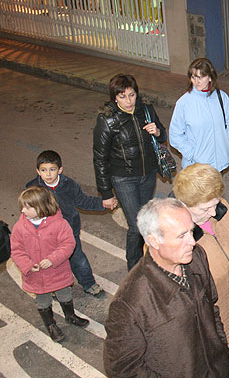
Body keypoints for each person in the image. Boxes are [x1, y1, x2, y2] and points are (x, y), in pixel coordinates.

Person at [103, 198, 229, 377]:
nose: (192, 242)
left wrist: (220, 348)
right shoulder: (129, 303)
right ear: (153, 241)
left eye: (191, 232)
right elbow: (123, 370)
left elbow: (212, 307)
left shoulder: (197, 257)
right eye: (181, 236)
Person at [173, 164, 229, 375]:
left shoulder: (222, 208)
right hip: (207, 325)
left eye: (215, 203)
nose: (213, 213)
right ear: (183, 205)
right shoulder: (174, 238)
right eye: (204, 209)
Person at [93, 74, 167, 270]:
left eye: (132, 95)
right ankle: (134, 268)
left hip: (148, 174)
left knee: (146, 221)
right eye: (122, 96)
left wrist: (158, 132)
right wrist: (106, 193)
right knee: (136, 226)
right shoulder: (107, 120)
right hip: (123, 179)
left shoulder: (147, 110)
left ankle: (149, 259)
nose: (128, 101)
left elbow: (162, 135)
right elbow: (100, 158)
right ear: (114, 97)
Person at [26, 150, 117, 296]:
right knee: (50, 264)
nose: (48, 174)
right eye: (43, 170)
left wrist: (103, 204)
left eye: (52, 169)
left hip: (68, 233)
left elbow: (83, 201)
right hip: (46, 236)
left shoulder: (69, 185)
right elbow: (28, 212)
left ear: (60, 170)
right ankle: (53, 288)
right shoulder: (33, 189)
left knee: (78, 258)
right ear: (38, 171)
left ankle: (89, 283)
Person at [11, 186, 89, 343]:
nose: (23, 211)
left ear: (41, 207)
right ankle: (51, 325)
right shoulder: (20, 227)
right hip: (36, 276)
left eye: (27, 207)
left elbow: (68, 244)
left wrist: (53, 259)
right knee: (43, 301)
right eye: (23, 207)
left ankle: (70, 315)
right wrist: (27, 265)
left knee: (65, 294)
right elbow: (17, 250)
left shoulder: (59, 224)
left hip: (57, 272)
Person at [170, 58, 229, 172]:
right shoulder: (184, 103)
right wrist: (193, 155)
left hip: (219, 166)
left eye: (200, 77)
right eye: (193, 77)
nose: (196, 82)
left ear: (210, 77)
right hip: (196, 168)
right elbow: (175, 135)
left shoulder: (221, 97)